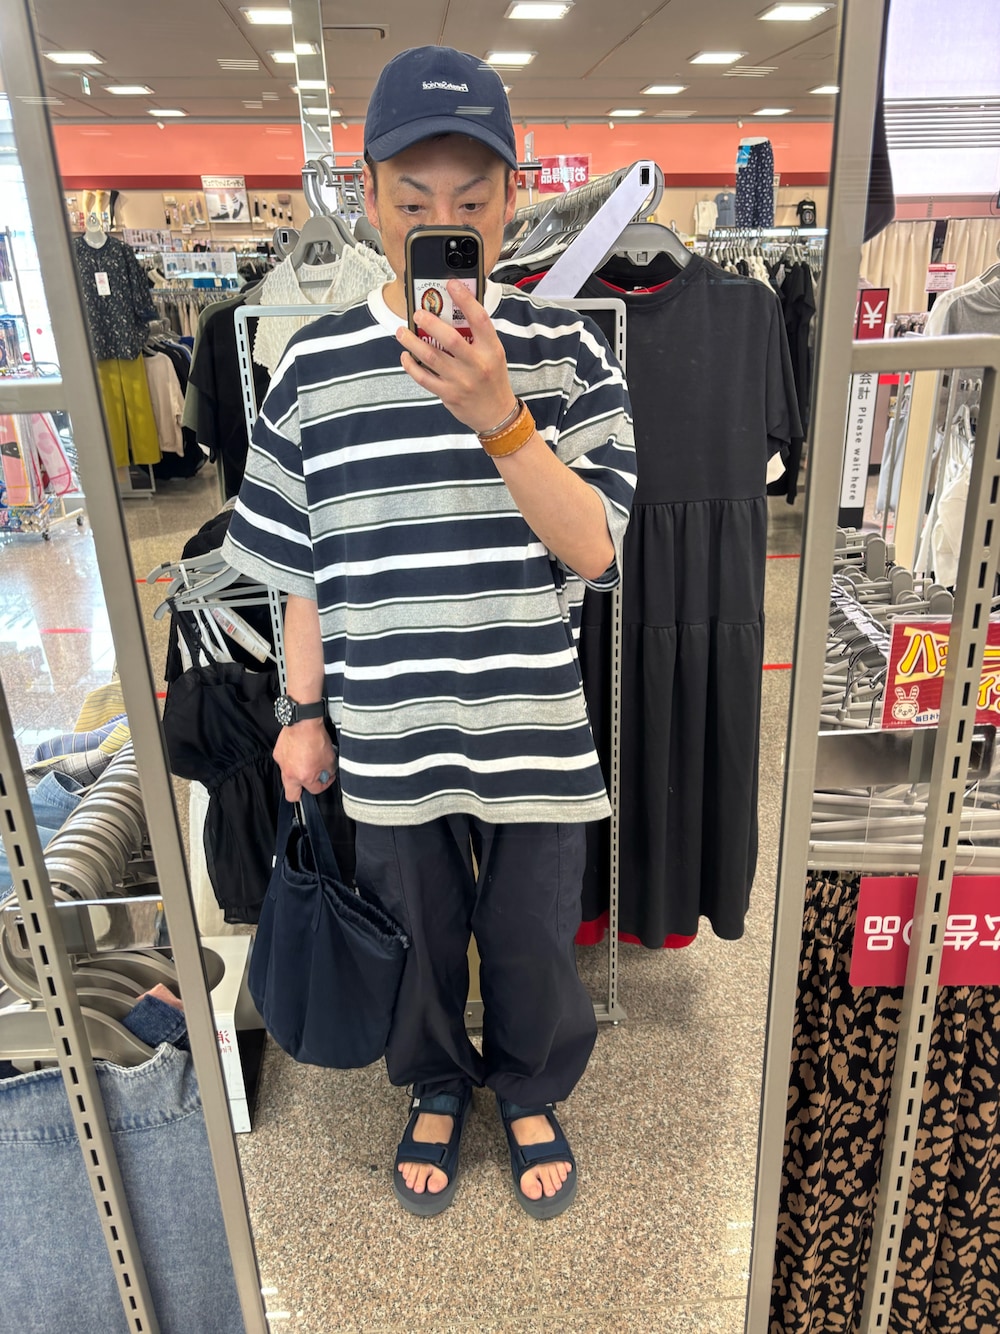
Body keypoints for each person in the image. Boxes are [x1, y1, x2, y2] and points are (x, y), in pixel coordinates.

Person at [224, 45, 635, 1220]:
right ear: (366, 199)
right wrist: (303, 714)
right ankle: (436, 1077)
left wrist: (501, 415)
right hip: (386, 715)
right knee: (412, 923)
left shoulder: (568, 352)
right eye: (412, 203)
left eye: (469, 200)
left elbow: (595, 548)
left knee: (532, 933)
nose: (440, 225)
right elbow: (299, 568)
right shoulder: (312, 365)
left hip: (528, 712)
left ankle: (530, 1081)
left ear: (512, 201)